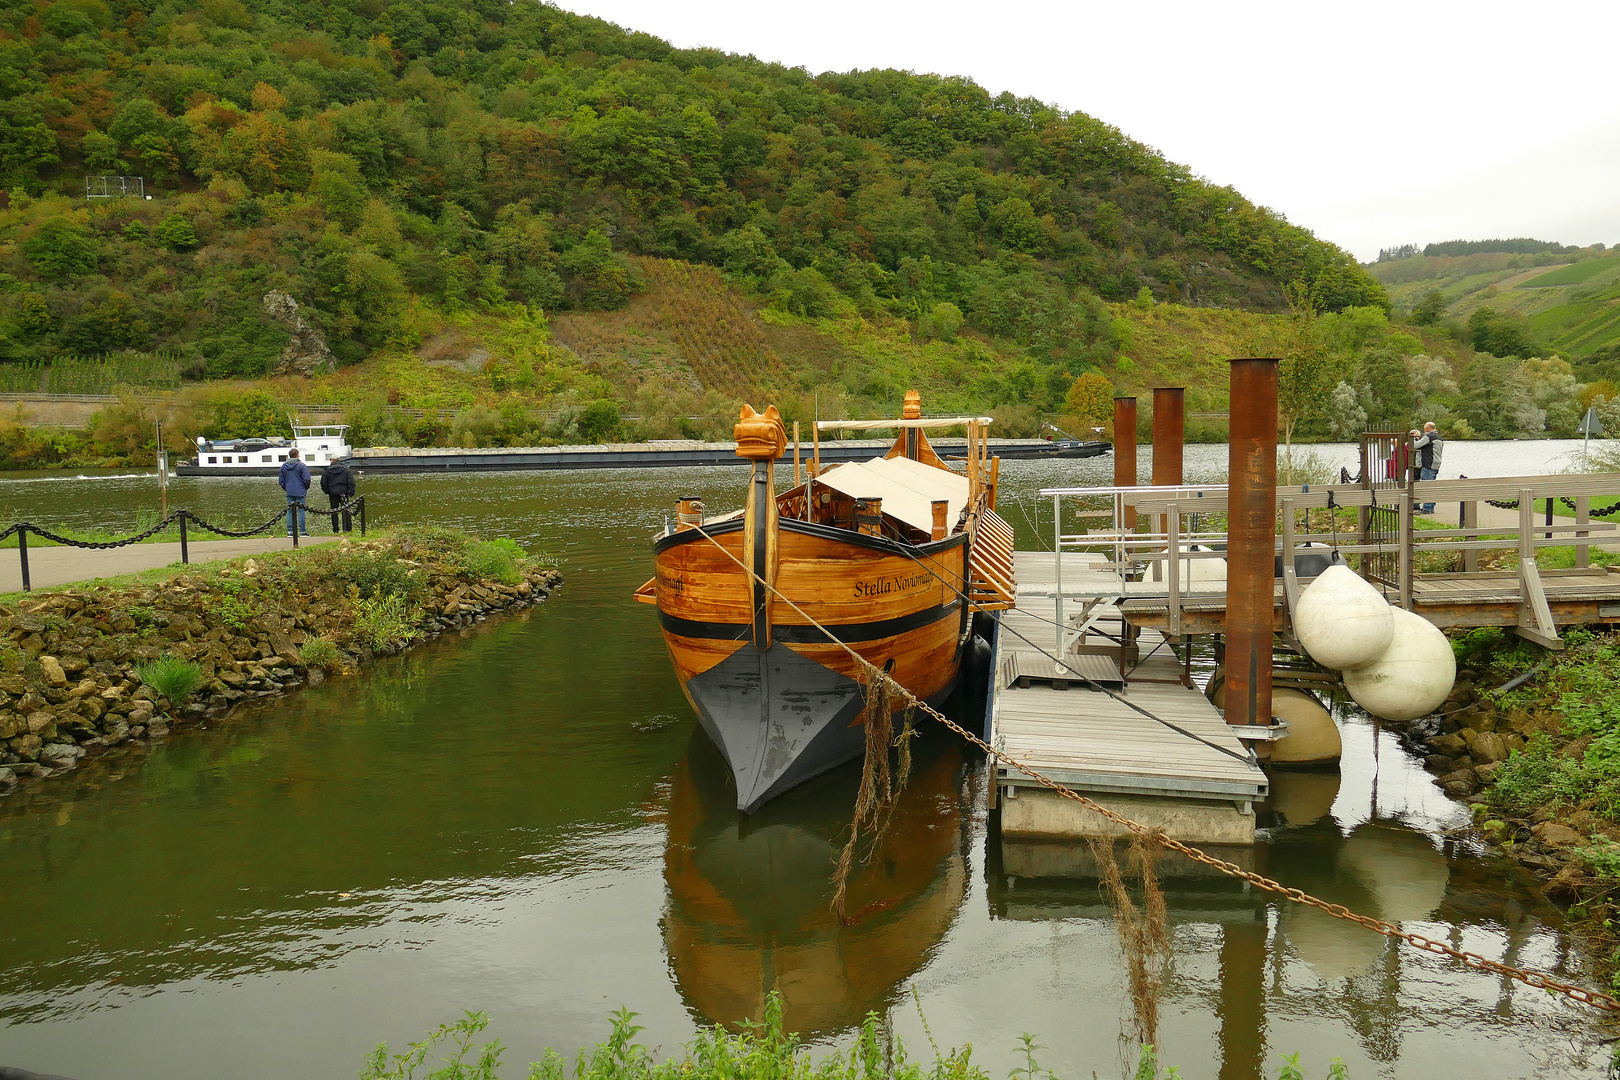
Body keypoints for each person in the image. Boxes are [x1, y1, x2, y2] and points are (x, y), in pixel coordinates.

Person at [1410, 422, 1443, 514]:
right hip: (1436, 464)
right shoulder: (1438, 437)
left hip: (1428, 464)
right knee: (1431, 486)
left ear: (1428, 428)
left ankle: (1427, 508)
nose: (1424, 431)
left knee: (1426, 486)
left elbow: (1415, 446)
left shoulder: (1429, 437)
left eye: (1424, 429)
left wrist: (1415, 439)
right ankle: (1431, 507)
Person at [278, 448, 312, 537]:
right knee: (301, 511)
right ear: (297, 455)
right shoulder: (301, 466)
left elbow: (281, 481)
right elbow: (307, 479)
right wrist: (305, 488)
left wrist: (287, 488)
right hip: (300, 491)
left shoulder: (284, 466)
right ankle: (302, 531)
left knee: (289, 512)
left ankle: (290, 532)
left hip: (289, 491)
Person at [321, 456, 356, 533]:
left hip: (332, 492)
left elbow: (323, 483)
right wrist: (351, 492)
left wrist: (327, 491)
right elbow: (350, 481)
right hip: (344, 492)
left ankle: (335, 529)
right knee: (346, 510)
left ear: (332, 460)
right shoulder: (346, 470)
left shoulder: (327, 471)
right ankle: (347, 528)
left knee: (334, 511)